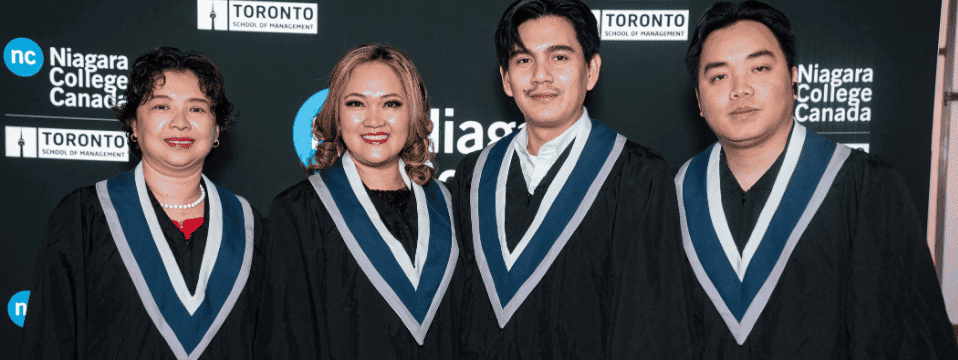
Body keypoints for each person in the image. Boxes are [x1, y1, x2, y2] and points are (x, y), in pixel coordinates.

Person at [677, 1, 958, 358]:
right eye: (719, 76)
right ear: (699, 99)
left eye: (759, 68)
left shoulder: (863, 187)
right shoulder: (673, 198)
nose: (740, 89)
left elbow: (901, 339)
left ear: (794, 78)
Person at [449, 0, 697, 358]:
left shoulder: (637, 176)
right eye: (523, 60)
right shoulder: (473, 177)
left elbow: (649, 326)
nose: (540, 76)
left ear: (591, 70)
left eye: (559, 57)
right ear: (506, 79)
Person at [18, 47, 263, 359]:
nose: (180, 123)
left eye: (197, 109)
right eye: (161, 107)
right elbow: (50, 340)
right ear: (134, 124)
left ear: (217, 129)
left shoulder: (248, 227)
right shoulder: (85, 218)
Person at [254, 44, 461, 359]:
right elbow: (286, 342)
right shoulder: (300, 211)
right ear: (336, 116)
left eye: (390, 103)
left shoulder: (450, 207)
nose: (374, 121)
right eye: (356, 104)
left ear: (414, 113)